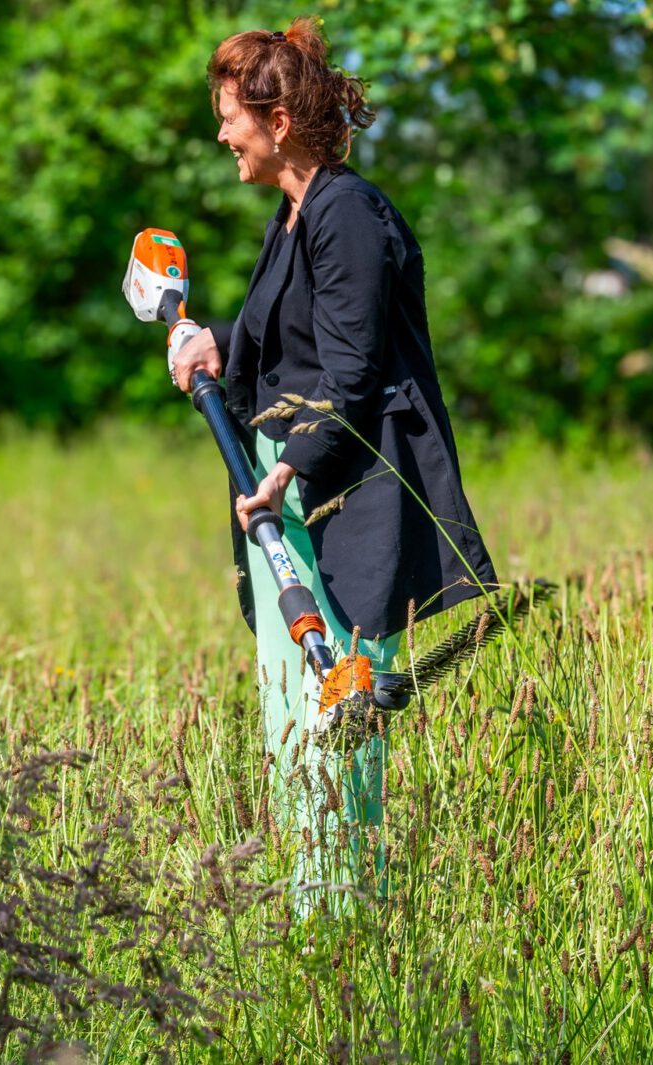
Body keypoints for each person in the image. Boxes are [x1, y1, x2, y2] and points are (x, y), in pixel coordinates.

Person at [170, 19, 498, 908]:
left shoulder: (347, 212)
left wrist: (288, 469)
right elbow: (288, 350)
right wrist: (212, 340)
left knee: (337, 712)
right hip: (290, 479)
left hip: (347, 490)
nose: (222, 134)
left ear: (277, 120)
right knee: (293, 709)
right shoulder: (295, 213)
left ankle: (344, 914)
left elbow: (351, 371)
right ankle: (317, 902)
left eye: (231, 115)